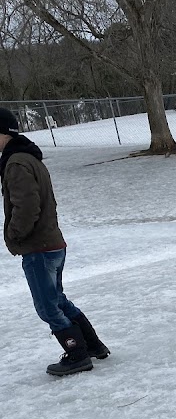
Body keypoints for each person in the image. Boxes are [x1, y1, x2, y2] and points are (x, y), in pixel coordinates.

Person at [0, 106, 109, 376]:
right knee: (58, 300)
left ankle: (77, 354)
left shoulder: (16, 163)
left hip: (39, 247)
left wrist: (14, 234)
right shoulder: (29, 157)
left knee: (47, 306)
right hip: (52, 244)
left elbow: (27, 206)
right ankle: (93, 345)